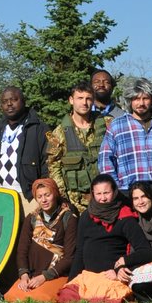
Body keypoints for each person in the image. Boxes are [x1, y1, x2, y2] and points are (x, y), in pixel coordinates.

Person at [58, 174, 152, 303]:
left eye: (106, 193)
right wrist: (71, 281)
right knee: (66, 296)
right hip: (88, 277)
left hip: (111, 276)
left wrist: (120, 270)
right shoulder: (86, 216)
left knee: (106, 299)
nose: (102, 198)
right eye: (98, 194)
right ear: (93, 194)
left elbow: (143, 249)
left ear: (114, 192)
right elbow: (80, 251)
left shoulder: (125, 217)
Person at [98, 78, 152, 205]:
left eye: (145, 98)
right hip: (130, 191)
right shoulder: (117, 126)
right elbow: (105, 160)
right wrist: (117, 188)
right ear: (130, 100)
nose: (141, 103)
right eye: (136, 99)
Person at [4, 178, 76, 303]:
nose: (44, 200)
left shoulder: (69, 218)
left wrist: (45, 277)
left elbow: (70, 257)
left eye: (47, 195)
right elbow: (22, 250)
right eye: (40, 196)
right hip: (32, 275)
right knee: (11, 296)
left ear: (55, 194)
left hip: (56, 274)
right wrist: (24, 275)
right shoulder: (31, 218)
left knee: (39, 298)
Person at [48, 81, 109, 212]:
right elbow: (54, 167)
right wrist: (63, 199)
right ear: (71, 100)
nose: (84, 103)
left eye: (88, 98)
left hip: (106, 199)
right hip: (76, 204)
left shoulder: (107, 124)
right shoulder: (59, 133)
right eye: (80, 98)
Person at [0, 86, 50, 201]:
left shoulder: (38, 128)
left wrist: (42, 193)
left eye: (14, 100)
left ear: (23, 101)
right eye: (5, 101)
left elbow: (47, 163)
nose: (9, 104)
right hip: (1, 195)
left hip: (30, 197)